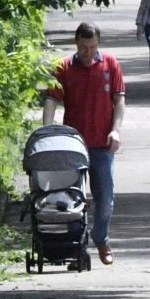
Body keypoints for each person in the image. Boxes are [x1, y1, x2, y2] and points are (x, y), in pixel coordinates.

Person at [42, 22, 126, 266]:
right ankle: (76, 246)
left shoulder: (110, 64)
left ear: (98, 44)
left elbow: (119, 101)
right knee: (70, 200)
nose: (88, 52)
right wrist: (48, 131)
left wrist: (116, 130)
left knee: (106, 200)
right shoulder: (64, 67)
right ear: (76, 44)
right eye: (83, 47)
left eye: (92, 47)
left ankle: (101, 239)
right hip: (72, 145)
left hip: (102, 144)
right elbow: (51, 101)